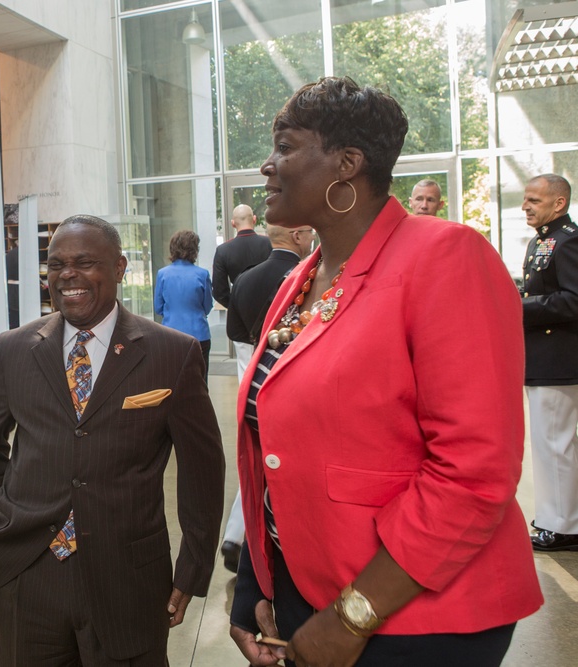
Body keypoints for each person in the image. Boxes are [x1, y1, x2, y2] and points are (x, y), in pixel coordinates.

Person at [228, 77, 542, 667]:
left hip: (412, 618)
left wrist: (353, 615)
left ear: (347, 164)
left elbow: (474, 471)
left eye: (285, 146)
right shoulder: (306, 276)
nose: (268, 166)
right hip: (308, 593)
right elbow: (274, 453)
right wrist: (257, 587)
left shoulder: (446, 257)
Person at [0, 214, 224, 666]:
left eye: (85, 262)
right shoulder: (13, 349)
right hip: (29, 573)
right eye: (56, 264)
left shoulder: (171, 354)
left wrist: (193, 566)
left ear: (120, 267)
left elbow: (203, 470)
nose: (68, 275)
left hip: (129, 580)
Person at [219, 224, 314, 572]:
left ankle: (236, 533)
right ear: (300, 235)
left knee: (256, 456)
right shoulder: (306, 279)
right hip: (293, 382)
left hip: (253, 374)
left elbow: (234, 329)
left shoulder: (244, 278)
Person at [520, 173, 578, 552]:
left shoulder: (569, 242)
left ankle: (563, 527)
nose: (525, 206)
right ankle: (554, 518)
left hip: (560, 356)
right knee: (548, 443)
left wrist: (519, 307)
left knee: (555, 444)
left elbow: (574, 299)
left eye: (534, 201)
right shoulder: (543, 240)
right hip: (544, 357)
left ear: (558, 203)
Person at [212, 204, 272, 380]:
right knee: (269, 363)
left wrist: (235, 306)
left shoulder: (223, 251)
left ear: (232, 224)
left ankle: (246, 405)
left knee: (245, 367)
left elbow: (219, 290)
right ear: (254, 220)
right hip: (268, 313)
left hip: (241, 319)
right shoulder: (268, 244)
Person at [154, 229, 214, 381]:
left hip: (170, 334)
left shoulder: (163, 274)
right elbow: (207, 306)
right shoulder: (202, 274)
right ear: (195, 250)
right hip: (198, 333)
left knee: (172, 378)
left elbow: (158, 307)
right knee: (200, 379)